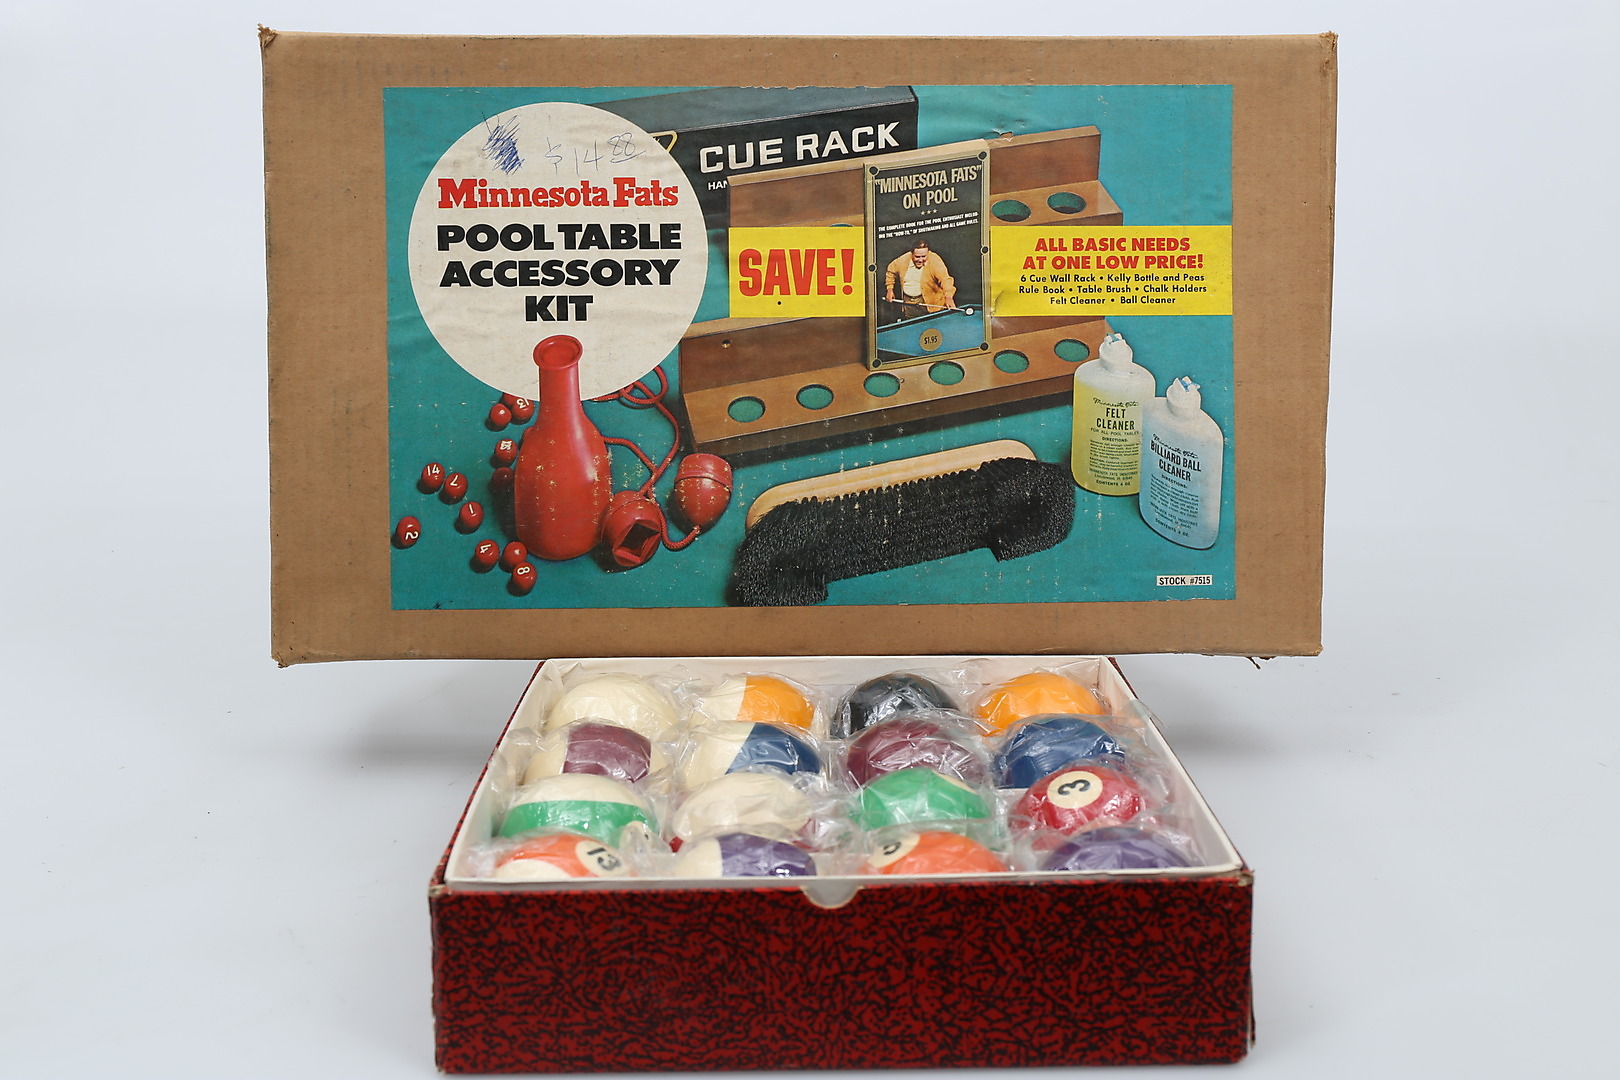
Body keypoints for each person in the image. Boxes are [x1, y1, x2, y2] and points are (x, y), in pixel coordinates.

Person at [884, 241, 956, 322]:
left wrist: (949, 297)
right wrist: (890, 289)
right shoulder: (903, 260)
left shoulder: (935, 261)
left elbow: (945, 279)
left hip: (930, 305)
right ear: (912, 254)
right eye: (917, 257)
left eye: (924, 256)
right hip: (909, 304)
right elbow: (890, 271)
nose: (920, 260)